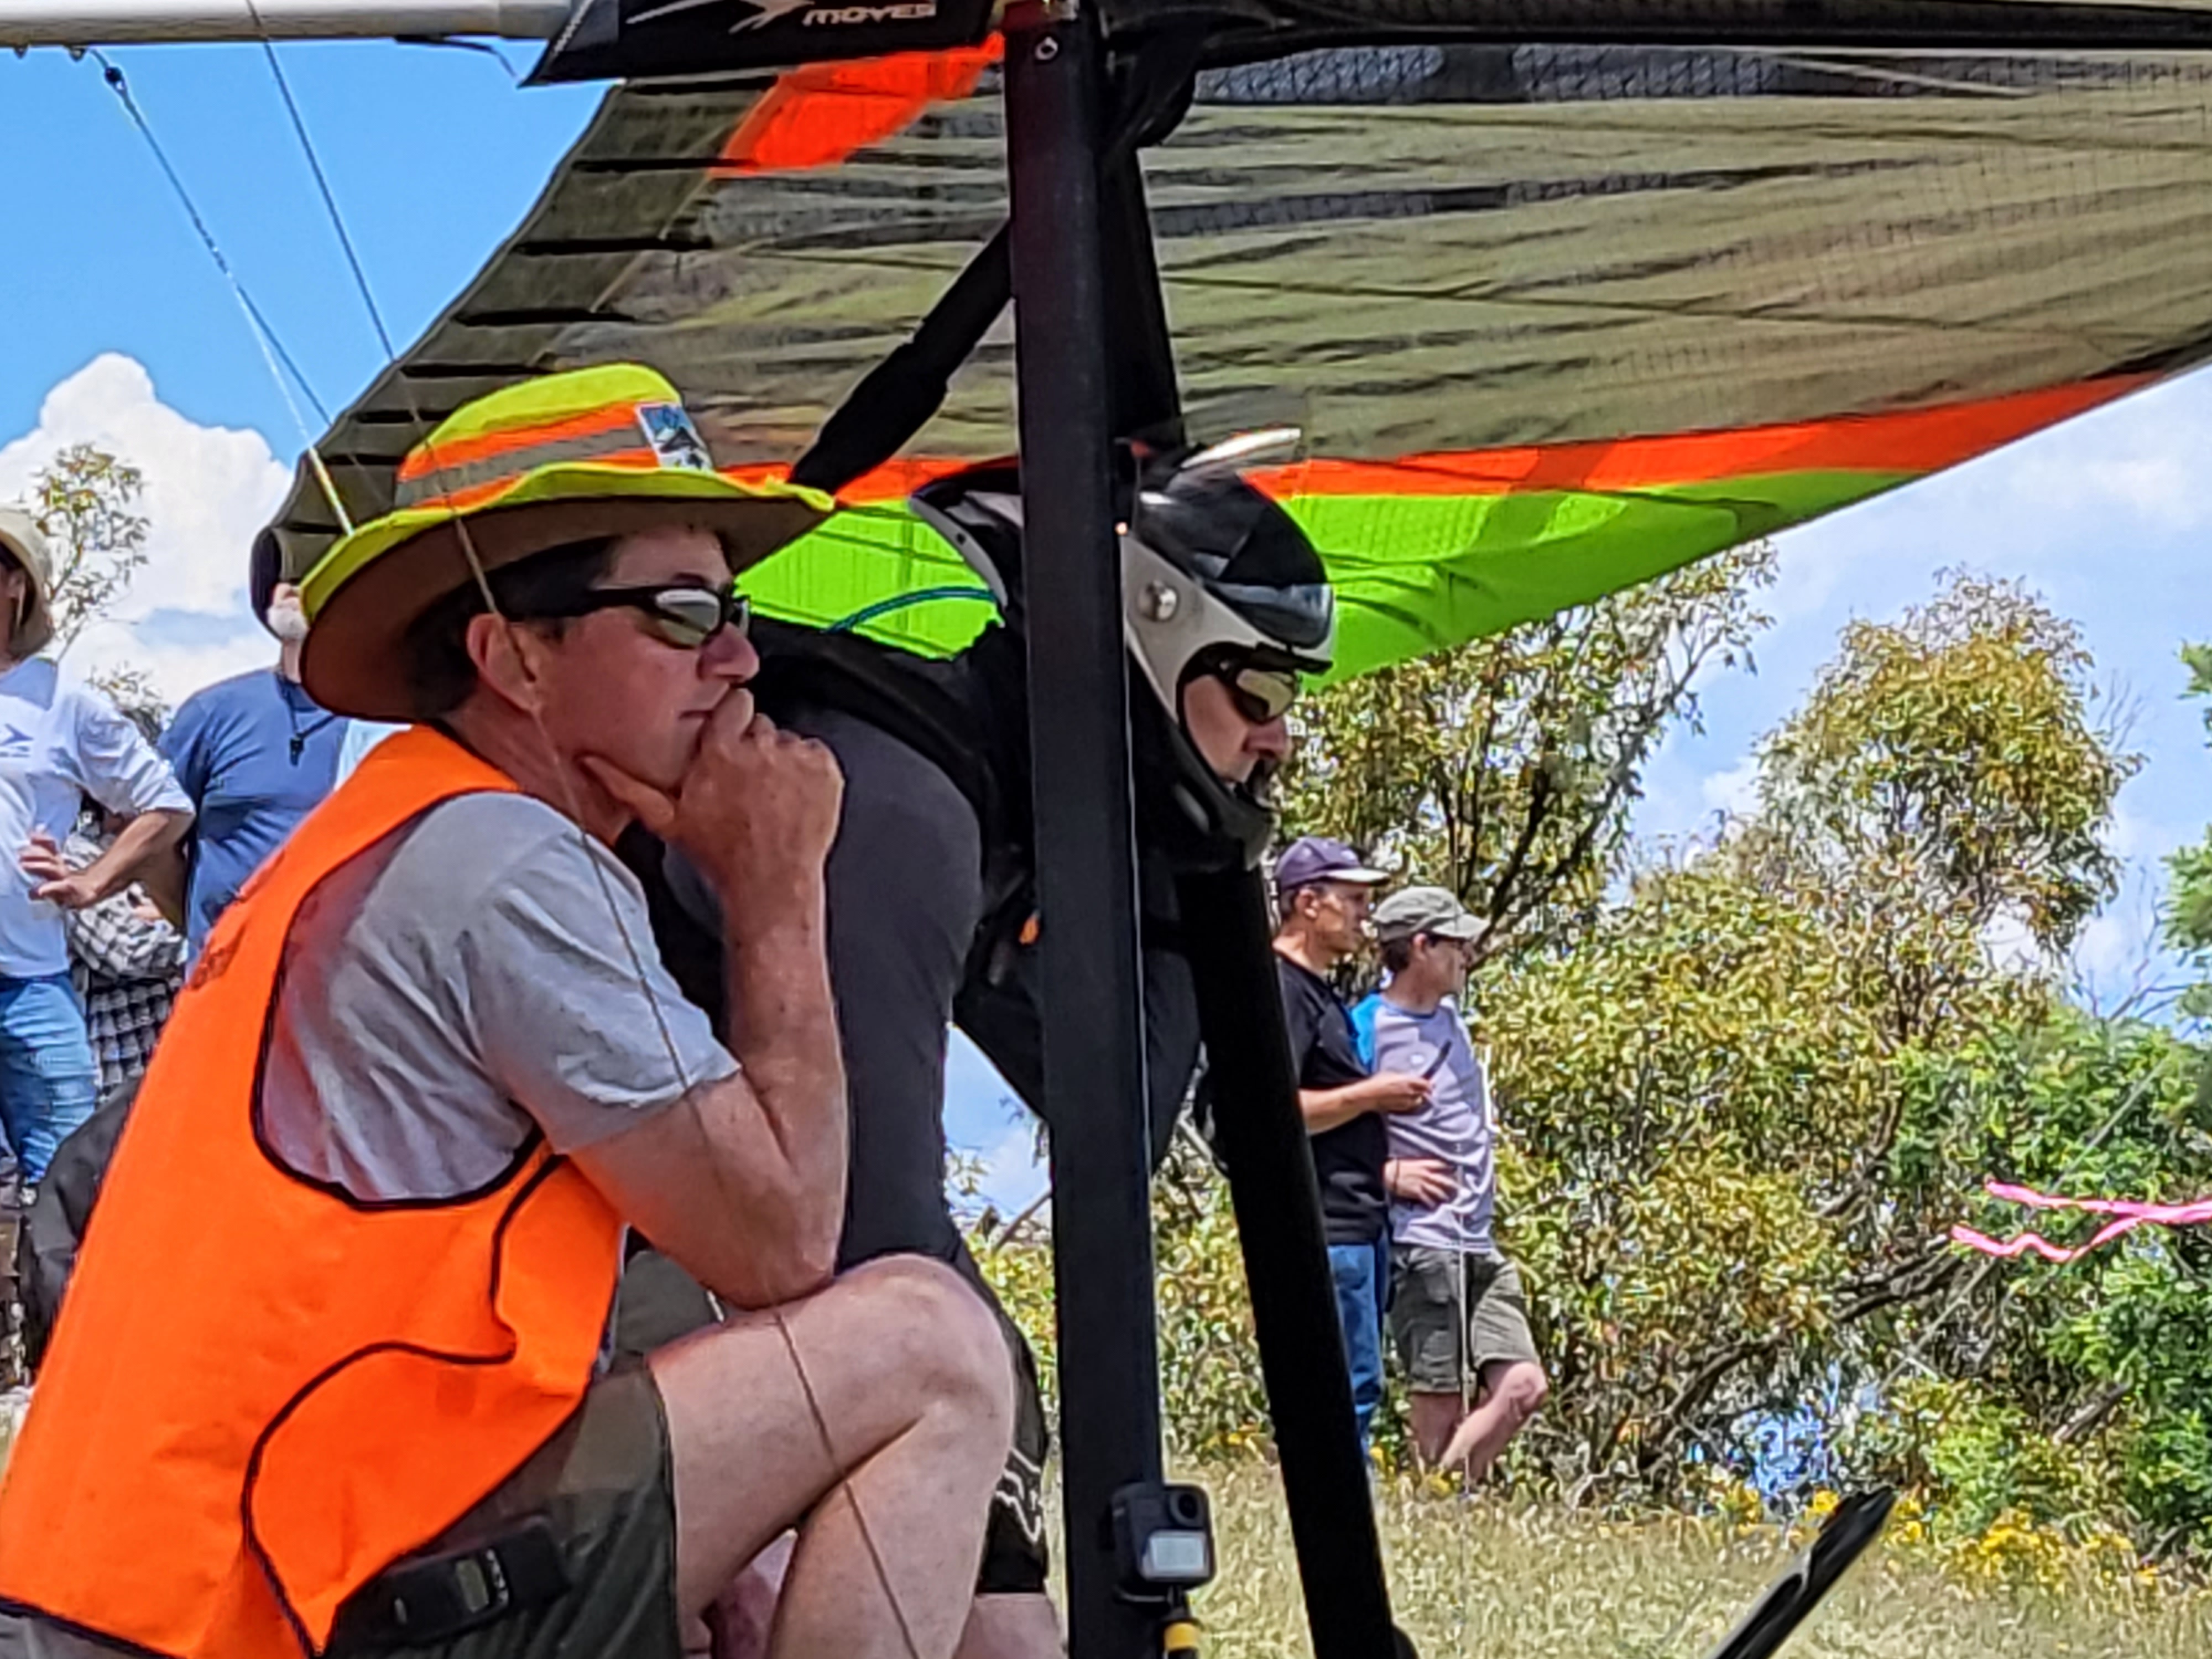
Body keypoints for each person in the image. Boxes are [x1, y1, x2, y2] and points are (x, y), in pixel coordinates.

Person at [0, 364, 1014, 1659]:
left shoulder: (393, 824)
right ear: (513, 655)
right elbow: (781, 1242)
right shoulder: (504, 862)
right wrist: (777, 891)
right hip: (271, 1596)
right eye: (681, 612)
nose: (739, 657)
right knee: (931, 1346)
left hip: (172, 1579)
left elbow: (650, 1293)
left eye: (735, 608)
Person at [632, 439, 1334, 1658]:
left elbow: (1112, 1120)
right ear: (1151, 639)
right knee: (948, 1359)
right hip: (566, 1282)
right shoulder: (900, 804)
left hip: (697, 1240)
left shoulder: (992, 799)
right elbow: (859, 1230)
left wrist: (1179, 860)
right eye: (1260, 692)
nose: (1278, 739)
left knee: (979, 1424)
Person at [0, 506, 191, 1188]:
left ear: (16, 585)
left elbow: (166, 804)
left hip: (31, 980)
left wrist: (93, 881)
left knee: (72, 1184)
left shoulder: (63, 702)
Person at [1355, 885, 1548, 1479]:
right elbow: (1327, 1125)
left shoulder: (1450, 1022)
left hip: (1477, 1238)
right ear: (1421, 947)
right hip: (1422, 1241)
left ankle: (1444, 1492)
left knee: (1524, 1385)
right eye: (1456, 944)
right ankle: (1443, 1506)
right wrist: (1386, 1175)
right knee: (1438, 1396)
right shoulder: (1368, 1027)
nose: (1467, 955)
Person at [1270, 834, 1424, 1450]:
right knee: (1343, 1387)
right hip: (1329, 1223)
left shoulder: (1322, 994)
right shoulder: (1281, 991)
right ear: (1309, 903)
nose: (1366, 914)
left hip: (1362, 1220)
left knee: (1362, 1382)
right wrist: (1371, 1095)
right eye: (1353, 900)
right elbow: (1269, 1117)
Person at [143, 542, 353, 957]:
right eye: (282, 573)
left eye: (312, 570)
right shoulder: (211, 712)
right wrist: (206, 930)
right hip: (224, 977)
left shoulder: (384, 724)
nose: (289, 585)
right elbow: (150, 837)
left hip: (339, 976)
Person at [60, 803, 185, 1095]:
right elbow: (126, 951)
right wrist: (202, 933)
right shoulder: (75, 855)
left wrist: (162, 916)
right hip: (129, 1052)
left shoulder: (190, 847)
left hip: (192, 1033)